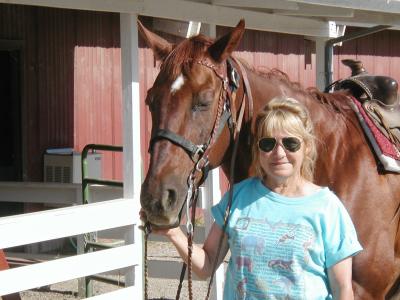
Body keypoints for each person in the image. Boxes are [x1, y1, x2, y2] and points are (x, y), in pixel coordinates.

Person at [144, 97, 363, 299]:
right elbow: (207, 265)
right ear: (258, 150)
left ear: (306, 147)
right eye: (268, 144)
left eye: (291, 143)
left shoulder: (327, 208)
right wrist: (173, 233)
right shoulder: (238, 197)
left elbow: (342, 288)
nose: (279, 153)